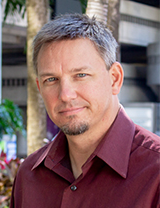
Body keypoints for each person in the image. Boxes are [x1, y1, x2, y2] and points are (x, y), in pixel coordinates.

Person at [10, 13, 160, 208]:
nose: (65, 94)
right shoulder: (29, 176)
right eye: (51, 79)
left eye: (81, 75)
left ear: (114, 78)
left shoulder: (155, 173)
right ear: (39, 88)